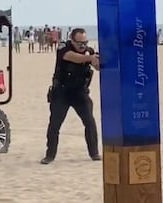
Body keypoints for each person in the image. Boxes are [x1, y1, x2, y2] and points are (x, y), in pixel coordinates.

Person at [40, 28, 101, 164]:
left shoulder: (89, 52)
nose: (82, 46)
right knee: (55, 125)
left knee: (90, 122)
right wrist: (89, 58)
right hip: (62, 92)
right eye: (79, 43)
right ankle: (49, 155)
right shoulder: (63, 48)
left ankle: (94, 153)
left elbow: (96, 65)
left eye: (85, 43)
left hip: (80, 93)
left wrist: (98, 61)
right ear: (72, 40)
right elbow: (71, 57)